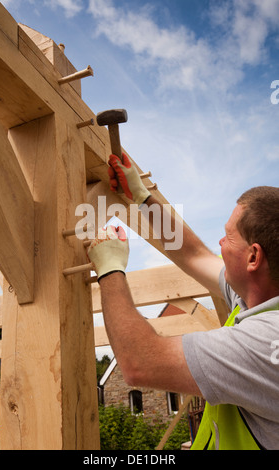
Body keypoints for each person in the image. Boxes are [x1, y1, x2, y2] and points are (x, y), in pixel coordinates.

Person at [87, 153, 279, 450]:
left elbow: (139, 362)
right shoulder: (254, 297)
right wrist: (142, 197)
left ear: (253, 257)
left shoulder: (266, 342)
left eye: (228, 237)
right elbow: (194, 254)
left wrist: (110, 269)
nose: (219, 244)